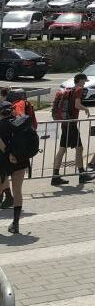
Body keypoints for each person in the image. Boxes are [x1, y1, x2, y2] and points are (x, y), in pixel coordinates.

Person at [51, 73, 95, 187]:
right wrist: (86, 109)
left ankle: (55, 176)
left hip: (66, 123)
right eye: (84, 80)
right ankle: (82, 175)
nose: (85, 83)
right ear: (80, 80)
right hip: (71, 124)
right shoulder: (79, 90)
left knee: (62, 149)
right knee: (79, 148)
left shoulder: (69, 90)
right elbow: (77, 105)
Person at [0, 100, 33, 233]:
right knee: (17, 191)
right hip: (21, 161)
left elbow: (1, 144)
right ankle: (15, 224)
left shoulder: (0, 125)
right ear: (12, 110)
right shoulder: (22, 123)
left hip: (3, 162)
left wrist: (9, 154)